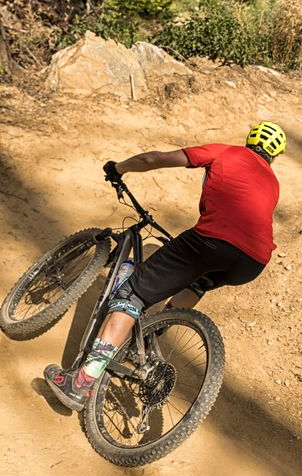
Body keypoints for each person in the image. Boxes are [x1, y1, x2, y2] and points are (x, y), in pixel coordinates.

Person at [44, 120, 286, 411]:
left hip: (211, 241)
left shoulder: (227, 152)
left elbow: (154, 159)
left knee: (131, 295)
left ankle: (80, 383)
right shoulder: (273, 183)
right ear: (274, 155)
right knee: (197, 281)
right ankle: (149, 336)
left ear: (250, 139)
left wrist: (118, 168)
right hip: (252, 262)